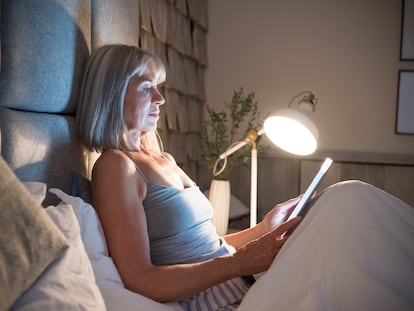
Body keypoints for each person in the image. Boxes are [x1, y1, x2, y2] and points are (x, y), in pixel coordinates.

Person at [77, 44, 414, 311]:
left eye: (159, 88)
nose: (161, 99)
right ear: (113, 94)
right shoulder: (115, 167)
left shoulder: (161, 157)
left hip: (236, 277)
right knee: (347, 201)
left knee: (348, 205)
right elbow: (141, 280)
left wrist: (264, 228)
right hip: (219, 297)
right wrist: (241, 264)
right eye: (147, 88)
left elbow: (209, 246)